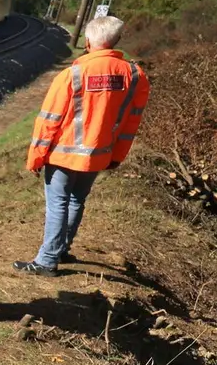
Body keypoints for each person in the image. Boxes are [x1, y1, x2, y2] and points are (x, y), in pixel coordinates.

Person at [14, 15, 151, 276]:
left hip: (63, 155)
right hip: (100, 154)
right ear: (117, 41)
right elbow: (131, 122)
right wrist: (117, 155)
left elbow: (48, 121)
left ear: (87, 42)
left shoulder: (72, 75)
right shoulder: (135, 75)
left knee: (58, 203)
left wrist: (36, 156)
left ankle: (47, 261)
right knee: (77, 200)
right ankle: (62, 249)